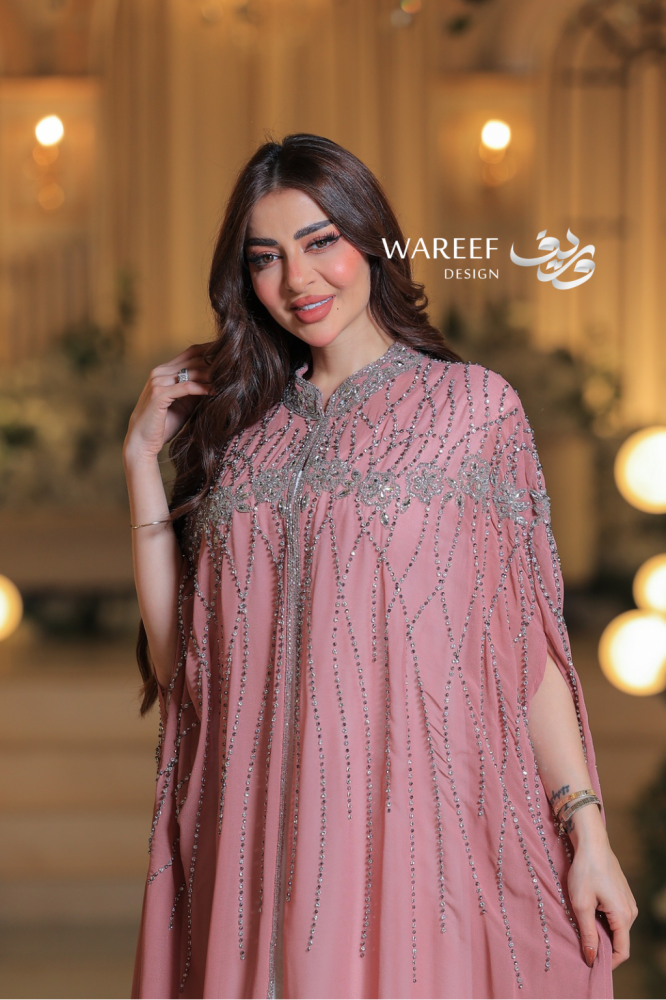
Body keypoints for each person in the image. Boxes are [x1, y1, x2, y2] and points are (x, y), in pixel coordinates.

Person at [123, 133, 637, 1000]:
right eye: (265, 258)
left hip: (419, 845)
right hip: (255, 853)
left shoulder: (473, 410)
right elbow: (189, 672)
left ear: (371, 239)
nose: (297, 280)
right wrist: (140, 460)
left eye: (320, 242)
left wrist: (586, 829)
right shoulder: (241, 433)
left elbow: (525, 650)